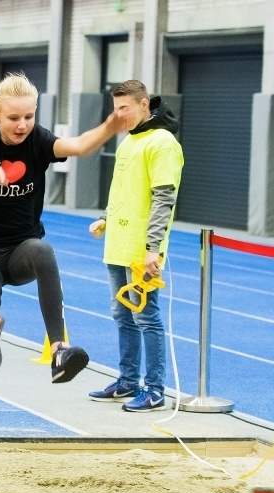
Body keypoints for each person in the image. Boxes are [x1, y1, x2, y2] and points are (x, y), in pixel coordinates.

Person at [0, 72, 132, 383]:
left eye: (29, 116)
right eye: (13, 118)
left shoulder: (38, 141)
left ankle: (59, 350)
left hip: (21, 250)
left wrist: (109, 128)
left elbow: (77, 146)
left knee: (42, 249)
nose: (22, 125)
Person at [87, 80, 183, 412]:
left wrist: (153, 248)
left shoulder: (163, 143)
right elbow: (123, 191)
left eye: (124, 108)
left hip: (142, 250)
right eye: (115, 109)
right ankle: (128, 381)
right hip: (117, 243)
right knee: (122, 315)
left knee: (146, 317)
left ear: (144, 105)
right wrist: (105, 218)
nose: (119, 115)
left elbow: (163, 199)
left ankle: (155, 389)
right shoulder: (130, 142)